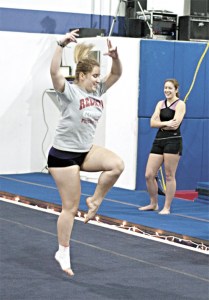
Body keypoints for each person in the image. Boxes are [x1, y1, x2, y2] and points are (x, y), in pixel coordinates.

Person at [47, 29, 124, 276]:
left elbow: (117, 74)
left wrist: (115, 58)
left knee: (116, 165)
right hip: (63, 156)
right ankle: (63, 251)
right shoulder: (69, 91)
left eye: (98, 76)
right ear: (81, 76)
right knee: (70, 207)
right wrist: (60, 44)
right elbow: (54, 72)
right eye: (93, 76)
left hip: (85, 151)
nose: (97, 80)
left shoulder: (97, 91)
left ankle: (96, 199)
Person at [139, 78, 186, 215]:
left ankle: (167, 207)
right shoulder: (160, 103)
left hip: (173, 140)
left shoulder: (180, 104)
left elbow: (175, 124)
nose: (167, 90)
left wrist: (161, 122)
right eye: (165, 88)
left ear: (176, 90)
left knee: (169, 175)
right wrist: (166, 123)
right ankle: (153, 203)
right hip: (159, 139)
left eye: (170, 88)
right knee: (149, 174)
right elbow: (152, 123)